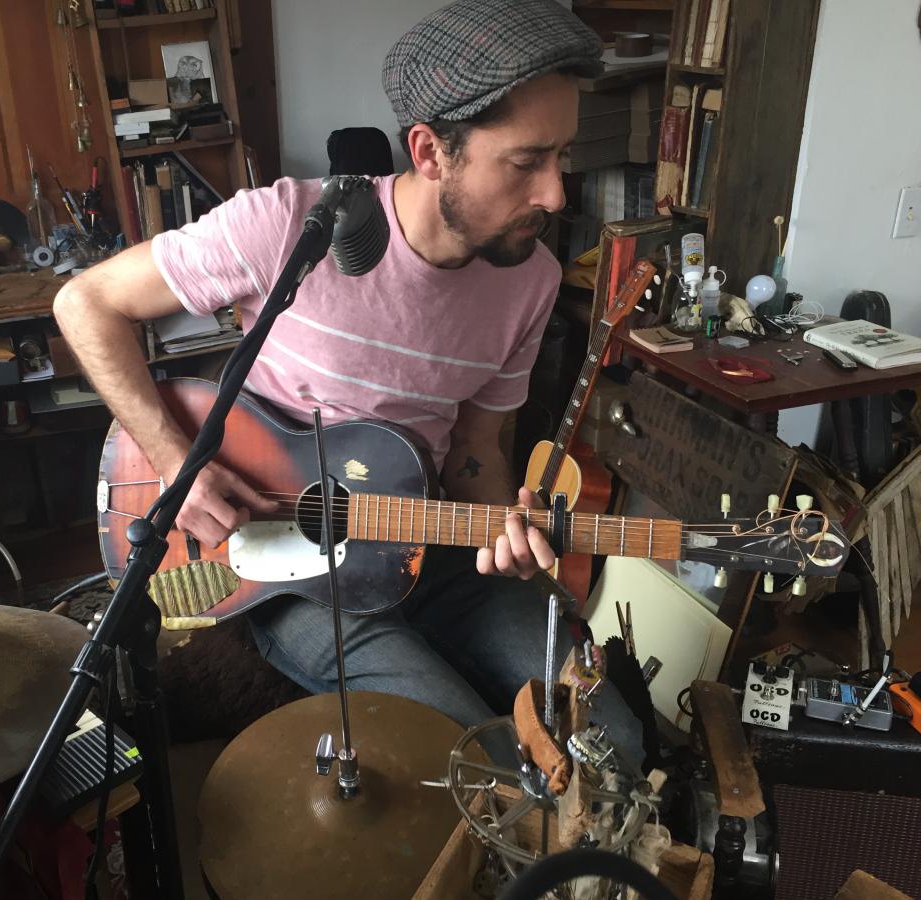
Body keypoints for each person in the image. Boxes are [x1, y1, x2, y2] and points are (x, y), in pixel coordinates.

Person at [54, 0, 645, 763]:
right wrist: (177, 463)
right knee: (473, 757)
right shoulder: (285, 227)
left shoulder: (530, 281)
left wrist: (506, 530)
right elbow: (85, 302)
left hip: (428, 547)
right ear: (430, 151)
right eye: (527, 162)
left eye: (563, 156)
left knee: (616, 740)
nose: (557, 195)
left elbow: (475, 450)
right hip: (283, 564)